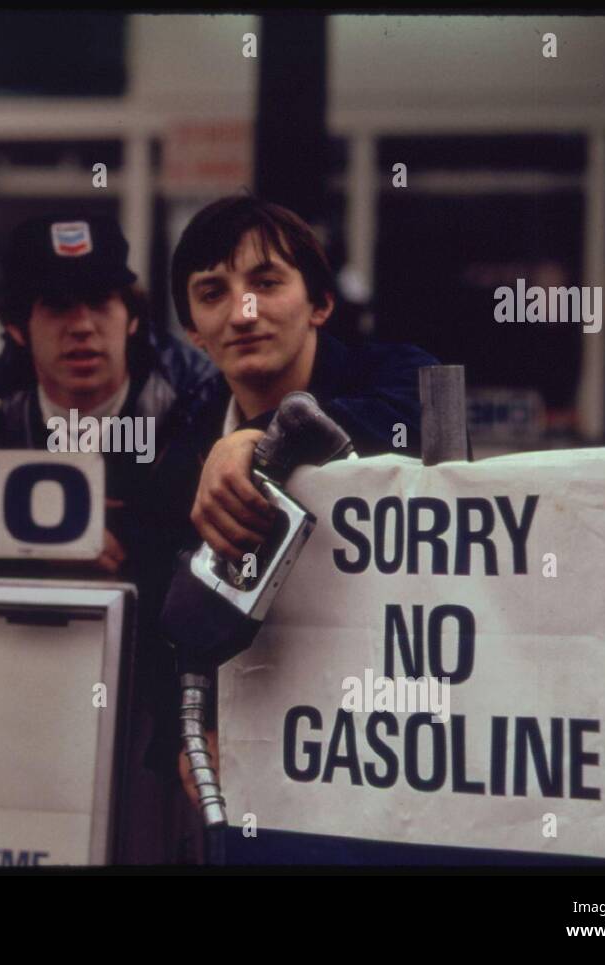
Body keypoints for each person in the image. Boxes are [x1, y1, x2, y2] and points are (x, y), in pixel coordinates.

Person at [0, 213, 215, 863]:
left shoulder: (193, 392)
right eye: (57, 307)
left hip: (162, 697)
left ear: (130, 315)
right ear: (18, 327)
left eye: (101, 303)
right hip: (20, 692)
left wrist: (133, 531)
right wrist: (26, 529)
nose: (82, 326)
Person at [143, 195, 440, 855]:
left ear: (320, 304)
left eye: (267, 282)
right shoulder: (176, 452)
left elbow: (427, 417)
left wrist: (258, 440)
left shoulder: (399, 373)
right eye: (213, 292)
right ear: (193, 327)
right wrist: (187, 738)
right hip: (262, 757)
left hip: (397, 738)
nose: (243, 312)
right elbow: (159, 624)